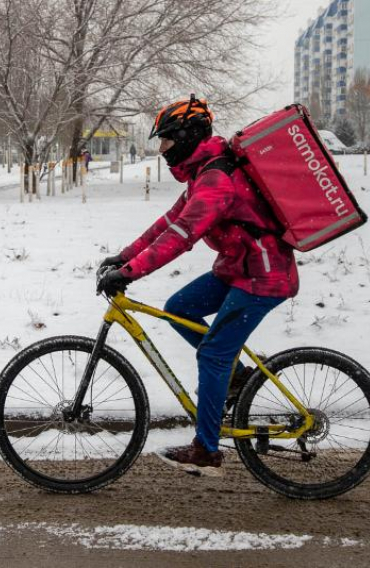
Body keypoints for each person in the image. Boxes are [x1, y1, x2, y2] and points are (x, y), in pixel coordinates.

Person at [96, 95, 299, 477]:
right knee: (179, 308)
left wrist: (131, 272)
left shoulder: (216, 181)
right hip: (239, 268)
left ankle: (207, 450)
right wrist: (124, 257)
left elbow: (182, 234)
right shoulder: (203, 172)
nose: (163, 149)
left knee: (212, 354)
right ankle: (238, 378)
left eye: (168, 140)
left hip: (263, 276)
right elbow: (168, 222)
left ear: (189, 136)